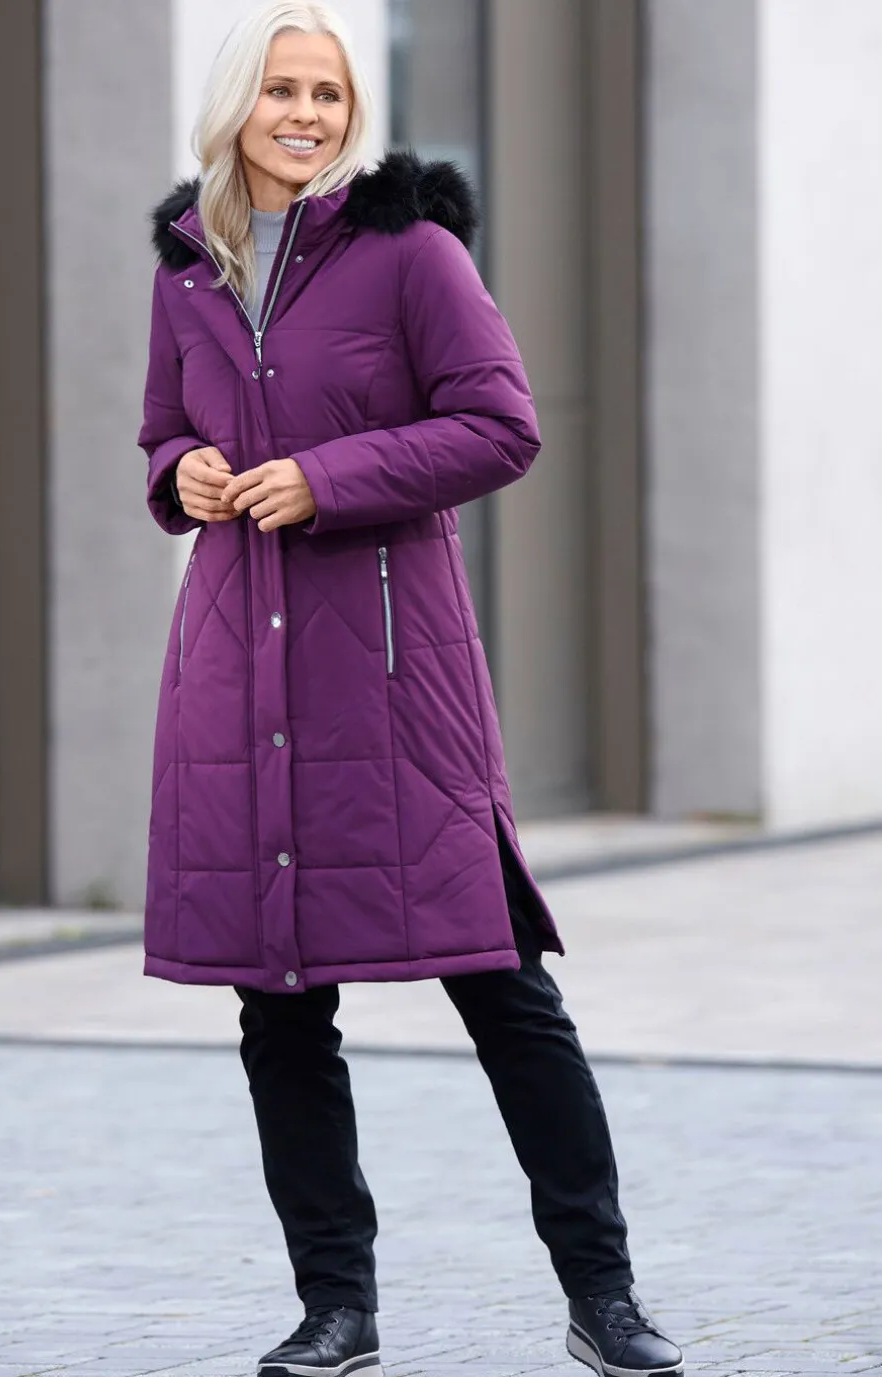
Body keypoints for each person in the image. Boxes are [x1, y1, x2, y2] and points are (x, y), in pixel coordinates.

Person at [139, 4, 684, 1376]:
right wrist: (179, 474)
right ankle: (338, 1309)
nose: (306, 113)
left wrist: (326, 479)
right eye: (282, 90)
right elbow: (163, 431)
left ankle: (605, 1296)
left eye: (328, 92)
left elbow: (502, 426)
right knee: (280, 1013)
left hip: (393, 682)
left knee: (503, 989)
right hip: (241, 681)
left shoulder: (411, 250)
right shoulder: (190, 268)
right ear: (236, 107)